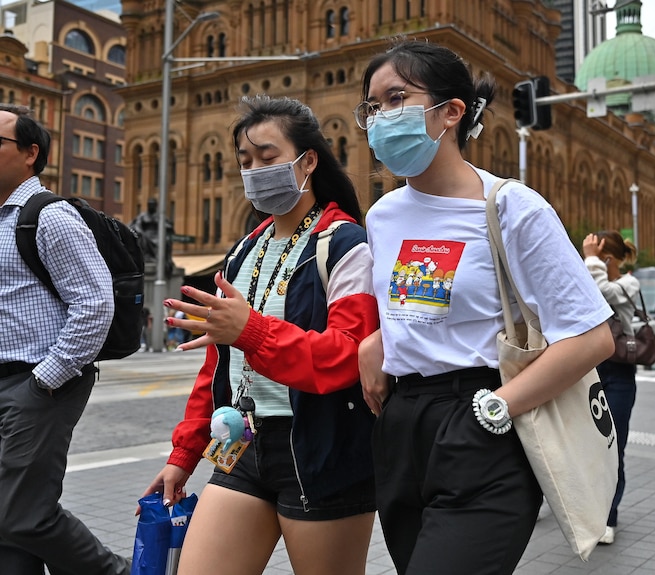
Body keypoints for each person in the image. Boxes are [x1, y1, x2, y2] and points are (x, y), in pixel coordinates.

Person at [355, 40, 615, 574]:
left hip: (484, 419)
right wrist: (378, 340)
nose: (380, 117)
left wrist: (496, 408)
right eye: (373, 106)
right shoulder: (382, 217)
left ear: (451, 112)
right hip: (402, 431)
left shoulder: (511, 206)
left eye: (397, 98)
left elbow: (592, 336)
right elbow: (414, 307)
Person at [140, 95, 378, 575]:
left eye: (268, 157)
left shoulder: (344, 244)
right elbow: (218, 366)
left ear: (308, 160)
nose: (254, 170)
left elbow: (346, 357)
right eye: (244, 161)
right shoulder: (243, 251)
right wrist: (184, 455)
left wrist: (248, 330)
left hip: (322, 448)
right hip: (243, 444)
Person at [0, 104, 129, 574]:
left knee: (24, 516)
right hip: (10, 383)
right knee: (6, 520)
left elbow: (95, 305)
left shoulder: (49, 217)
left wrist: (43, 381)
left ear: (31, 153)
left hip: (36, 384)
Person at [581, 230, 640, 545]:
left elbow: (600, 293)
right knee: (586, 445)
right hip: (588, 370)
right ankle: (587, 509)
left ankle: (609, 516)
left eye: (599, 258)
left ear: (608, 259)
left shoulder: (628, 284)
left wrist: (590, 261)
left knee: (613, 446)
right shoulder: (594, 272)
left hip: (618, 371)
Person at [130, 197, 174, 273]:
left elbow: (169, 226)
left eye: (152, 205)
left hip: (158, 235)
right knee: (143, 238)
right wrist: (140, 231)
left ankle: (164, 260)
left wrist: (162, 224)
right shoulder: (143, 216)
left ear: (156, 206)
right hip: (145, 234)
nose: (151, 206)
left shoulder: (160, 216)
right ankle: (146, 257)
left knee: (165, 240)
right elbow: (136, 225)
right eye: (149, 205)